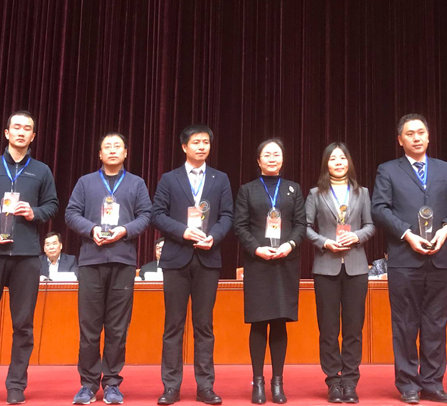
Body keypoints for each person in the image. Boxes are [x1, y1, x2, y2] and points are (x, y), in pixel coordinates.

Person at [371, 114, 447, 404]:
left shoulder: (445, 169)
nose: (416, 138)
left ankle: (433, 383)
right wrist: (407, 235)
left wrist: (446, 230)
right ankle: (408, 385)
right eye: (409, 133)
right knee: (405, 324)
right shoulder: (388, 170)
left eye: (421, 132)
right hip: (405, 258)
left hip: (441, 256)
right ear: (400, 140)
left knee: (436, 323)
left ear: (428, 137)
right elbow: (379, 208)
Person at [0, 110, 59, 405]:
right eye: (16, 127)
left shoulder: (41, 170)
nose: (21, 132)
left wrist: (34, 212)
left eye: (27, 128)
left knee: (23, 325)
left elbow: (52, 205)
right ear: (6, 133)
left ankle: (16, 385)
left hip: (27, 256)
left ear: (33, 136)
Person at [65, 132, 152, 405]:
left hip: (123, 261)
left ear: (125, 153)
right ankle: (88, 385)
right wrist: (91, 229)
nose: (112, 150)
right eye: (107, 146)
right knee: (89, 327)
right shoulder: (85, 182)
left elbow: (146, 215)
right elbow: (71, 214)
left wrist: (124, 230)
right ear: (100, 154)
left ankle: (112, 383)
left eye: (118, 146)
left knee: (117, 328)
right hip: (91, 261)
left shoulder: (136, 183)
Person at [151, 124, 234, 405]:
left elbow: (227, 216)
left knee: (204, 326)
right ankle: (171, 387)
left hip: (208, 258)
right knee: (173, 325)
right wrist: (183, 232)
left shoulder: (220, 178)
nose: (201, 146)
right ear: (184, 146)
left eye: (205, 142)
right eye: (196, 142)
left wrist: (214, 236)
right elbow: (157, 215)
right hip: (176, 258)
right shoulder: (169, 179)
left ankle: (205, 386)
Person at [234, 139, 306, 404]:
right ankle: (258, 382)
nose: (272, 158)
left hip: (285, 262)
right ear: (258, 160)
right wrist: (257, 249)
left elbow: (301, 224)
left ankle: (278, 382)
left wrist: (289, 245)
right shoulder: (247, 190)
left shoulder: (293, 189)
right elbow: (240, 226)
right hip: (258, 263)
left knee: (279, 322)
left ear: (282, 159)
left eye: (277, 154)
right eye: (267, 154)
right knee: (258, 322)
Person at [305, 142, 375, 403]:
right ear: (326, 163)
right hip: (326, 267)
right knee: (328, 328)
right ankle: (333, 382)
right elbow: (305, 226)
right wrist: (325, 242)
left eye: (342, 158)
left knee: (354, 328)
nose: (338, 162)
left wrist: (356, 237)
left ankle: (350, 381)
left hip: (356, 267)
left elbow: (370, 225)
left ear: (349, 162)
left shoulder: (362, 192)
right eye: (333, 158)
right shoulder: (315, 193)